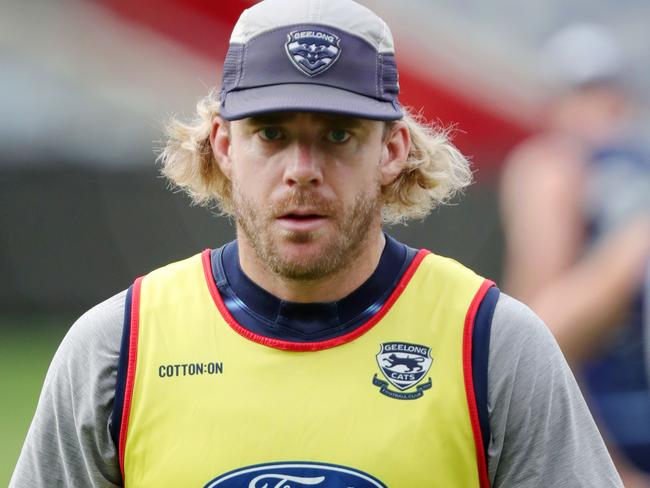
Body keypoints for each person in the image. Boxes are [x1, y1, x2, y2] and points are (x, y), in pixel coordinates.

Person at [11, 2, 622, 487]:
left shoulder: (492, 345)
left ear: (391, 150)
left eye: (336, 134)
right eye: (271, 133)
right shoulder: (117, 347)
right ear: (224, 146)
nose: (302, 169)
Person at [500, 23, 650, 487]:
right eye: (581, 94)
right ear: (555, 106)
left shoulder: (626, 164)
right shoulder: (552, 167)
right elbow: (538, 338)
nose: (596, 109)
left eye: (603, 92)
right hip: (607, 432)